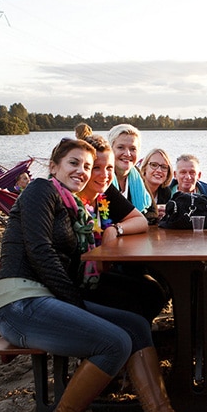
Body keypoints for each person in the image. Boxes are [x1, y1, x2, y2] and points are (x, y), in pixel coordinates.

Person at [0, 138, 207, 412]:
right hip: (21, 303)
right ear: (54, 166)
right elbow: (40, 252)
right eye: (75, 163)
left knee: (136, 326)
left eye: (88, 166)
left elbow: (73, 262)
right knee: (114, 342)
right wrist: (77, 304)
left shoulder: (73, 208)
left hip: (46, 298)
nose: (83, 171)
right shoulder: (40, 189)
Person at [75, 133, 169, 324]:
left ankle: (136, 339)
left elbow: (140, 220)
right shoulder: (70, 199)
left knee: (155, 291)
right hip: (79, 280)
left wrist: (115, 229)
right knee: (137, 300)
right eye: (96, 168)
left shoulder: (105, 191)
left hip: (101, 271)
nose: (104, 175)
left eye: (109, 168)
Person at [107, 123, 152, 213]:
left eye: (132, 149)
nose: (127, 154)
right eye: (121, 147)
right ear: (110, 150)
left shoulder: (136, 174)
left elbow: (152, 212)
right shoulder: (104, 177)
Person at [140, 148, 173, 224]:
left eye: (164, 167)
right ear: (145, 168)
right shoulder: (135, 188)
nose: (159, 170)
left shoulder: (165, 192)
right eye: (154, 165)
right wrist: (153, 214)